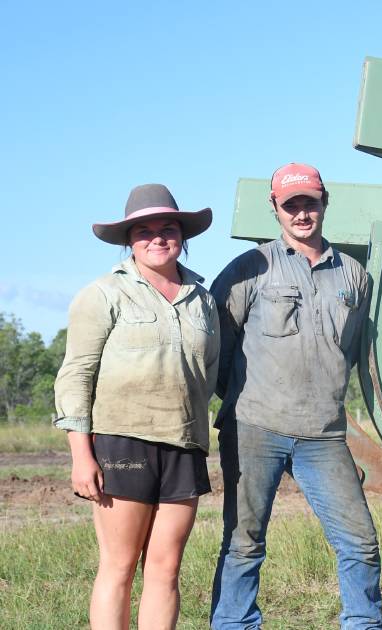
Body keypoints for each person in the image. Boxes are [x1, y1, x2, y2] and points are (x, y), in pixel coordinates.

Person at [209, 163, 382, 629]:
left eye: (309, 202)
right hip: (255, 427)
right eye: (291, 205)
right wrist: (239, 401)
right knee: (244, 542)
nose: (301, 213)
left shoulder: (353, 275)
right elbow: (217, 344)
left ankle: (363, 624)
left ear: (325, 202)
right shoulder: (251, 268)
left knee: (360, 541)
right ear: (275, 208)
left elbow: (353, 352)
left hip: (324, 435)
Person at [54, 184, 218, 629]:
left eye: (168, 228)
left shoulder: (203, 300)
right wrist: (81, 456)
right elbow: (75, 376)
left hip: (184, 445)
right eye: (144, 231)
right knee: (120, 567)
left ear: (183, 236)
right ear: (129, 240)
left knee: (166, 570)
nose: (158, 238)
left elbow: (210, 376)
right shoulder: (104, 294)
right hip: (121, 441)